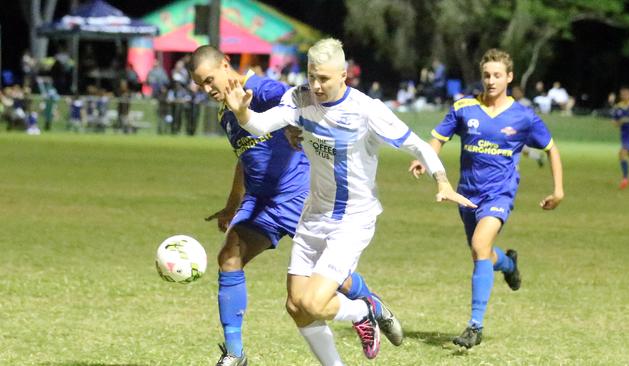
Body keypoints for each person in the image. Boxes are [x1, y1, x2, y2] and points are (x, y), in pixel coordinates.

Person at [221, 38, 475, 364]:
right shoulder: (300, 97)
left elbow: (418, 146)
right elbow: (261, 125)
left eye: (323, 78)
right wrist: (242, 111)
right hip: (313, 215)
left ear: (344, 75)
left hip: (352, 219)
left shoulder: (367, 110)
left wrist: (441, 180)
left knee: (313, 303)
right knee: (295, 306)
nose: (316, 85)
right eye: (312, 76)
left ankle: (362, 310)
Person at [188, 44, 405, 366]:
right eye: (200, 84)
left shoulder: (259, 89)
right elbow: (245, 158)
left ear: (225, 64)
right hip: (260, 202)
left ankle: (368, 306)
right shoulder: (225, 111)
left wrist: (293, 123)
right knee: (229, 257)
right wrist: (232, 204)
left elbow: (295, 99)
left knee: (334, 283)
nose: (206, 89)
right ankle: (235, 353)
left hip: (298, 196)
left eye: (209, 80)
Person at [410, 48, 564, 349]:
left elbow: (552, 149)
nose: (491, 81)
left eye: (497, 75)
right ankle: (507, 264)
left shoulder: (523, 116)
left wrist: (558, 190)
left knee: (480, 246)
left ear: (509, 77)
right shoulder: (464, 108)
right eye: (486, 75)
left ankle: (474, 325)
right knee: (483, 253)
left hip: (500, 193)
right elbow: (438, 139)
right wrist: (424, 159)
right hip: (466, 194)